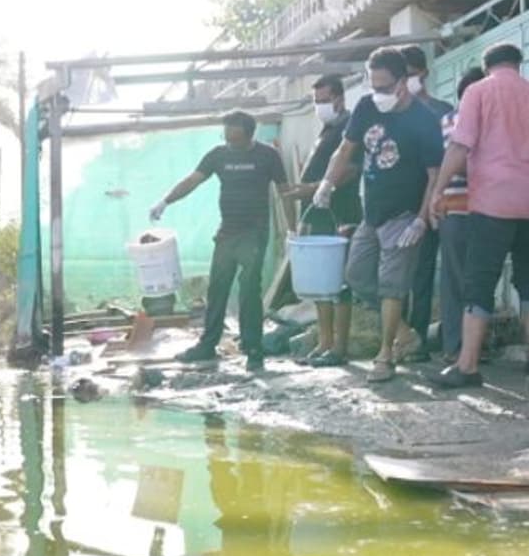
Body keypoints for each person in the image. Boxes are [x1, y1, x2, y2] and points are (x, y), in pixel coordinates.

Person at [429, 43, 529, 388]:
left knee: (480, 281)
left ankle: (467, 364)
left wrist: (438, 190)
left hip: (493, 202)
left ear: (487, 68)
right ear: (518, 65)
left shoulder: (478, 92)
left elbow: (460, 145)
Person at [314, 46, 444, 384]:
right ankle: (405, 331)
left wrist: (421, 218)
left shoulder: (424, 120)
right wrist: (327, 182)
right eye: (374, 85)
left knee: (392, 288)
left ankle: (385, 355)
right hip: (371, 214)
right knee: (356, 275)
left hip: (404, 215)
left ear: (403, 82)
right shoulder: (366, 107)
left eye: (385, 86)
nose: (379, 93)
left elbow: (434, 175)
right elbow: (346, 149)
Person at [151, 111, 289, 373]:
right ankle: (207, 345)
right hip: (227, 233)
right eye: (226, 138)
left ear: (250, 135)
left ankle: (254, 350)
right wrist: (165, 201)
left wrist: (293, 230)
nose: (230, 144)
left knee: (249, 291)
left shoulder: (268, 156)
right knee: (217, 289)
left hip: (254, 234)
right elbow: (193, 180)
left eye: (235, 140)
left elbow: (285, 192)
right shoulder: (219, 154)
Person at [282, 75, 362, 368]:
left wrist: (314, 188)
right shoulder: (328, 128)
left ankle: (338, 347)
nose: (319, 106)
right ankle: (325, 341)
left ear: (340, 98)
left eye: (324, 100)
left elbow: (351, 170)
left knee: (339, 283)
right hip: (318, 212)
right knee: (321, 281)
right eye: (316, 101)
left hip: (342, 210)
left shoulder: (350, 127)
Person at [398, 45, 456, 363]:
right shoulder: (396, 113)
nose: (404, 82)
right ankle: (411, 337)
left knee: (445, 272)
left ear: (423, 73)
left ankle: (447, 342)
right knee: (410, 275)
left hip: (443, 201)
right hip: (408, 204)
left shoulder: (442, 111)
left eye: (409, 75)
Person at [437, 66, 487, 363]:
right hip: (462, 207)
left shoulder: (463, 119)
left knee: (461, 279)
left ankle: (462, 348)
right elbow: (460, 162)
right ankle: (458, 348)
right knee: (467, 280)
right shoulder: (453, 120)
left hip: (472, 209)